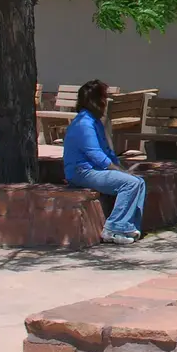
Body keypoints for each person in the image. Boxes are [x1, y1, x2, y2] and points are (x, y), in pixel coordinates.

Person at [63, 79, 146, 244]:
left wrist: (120, 168)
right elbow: (97, 156)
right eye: (103, 98)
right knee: (130, 183)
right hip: (82, 172)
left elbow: (108, 151)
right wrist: (118, 170)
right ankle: (113, 228)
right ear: (95, 100)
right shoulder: (84, 124)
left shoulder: (95, 122)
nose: (106, 102)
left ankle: (128, 227)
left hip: (95, 170)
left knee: (139, 182)